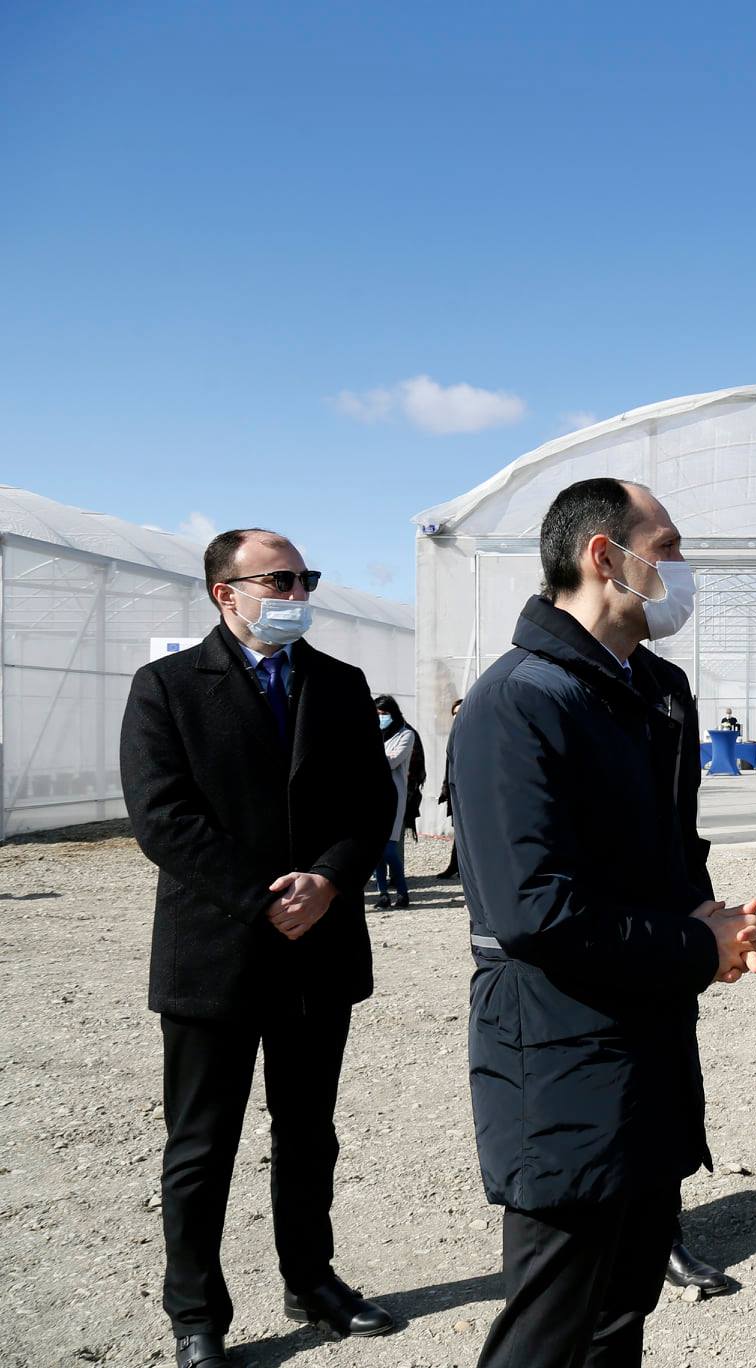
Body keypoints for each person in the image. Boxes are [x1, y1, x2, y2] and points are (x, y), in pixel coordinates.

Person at [451, 477, 756, 1368]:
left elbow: (671, 846)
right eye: (668, 547)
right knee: (551, 1326)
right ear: (604, 556)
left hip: (649, 1038)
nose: (683, 568)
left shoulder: (654, 689)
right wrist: (693, 945)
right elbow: (533, 910)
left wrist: (705, 919)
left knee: (621, 1312)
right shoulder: (519, 701)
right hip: (562, 1051)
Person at [120, 529, 399, 1368]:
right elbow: (163, 817)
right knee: (201, 1146)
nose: (298, 594)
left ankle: (311, 1279)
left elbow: (370, 801)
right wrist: (261, 898)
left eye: (305, 578)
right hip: (217, 953)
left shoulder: (339, 683)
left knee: (309, 1133)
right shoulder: (168, 687)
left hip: (319, 946)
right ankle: (196, 1315)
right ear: (225, 593)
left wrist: (330, 879)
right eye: (280, 580)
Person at [372, 694, 416, 909]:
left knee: (388, 848)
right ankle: (382, 894)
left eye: (384, 713)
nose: (381, 717)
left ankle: (402, 892)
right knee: (375, 849)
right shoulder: (372, 733)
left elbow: (392, 761)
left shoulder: (406, 735)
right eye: (377, 714)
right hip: (371, 795)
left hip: (392, 795)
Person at [437, 697, 462, 879]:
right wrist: (445, 789)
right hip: (457, 791)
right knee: (460, 831)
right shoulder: (454, 736)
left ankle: (460, 866)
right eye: (454, 713)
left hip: (471, 793)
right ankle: (456, 865)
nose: (456, 717)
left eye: (459, 712)